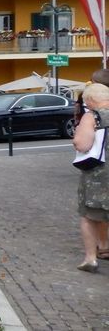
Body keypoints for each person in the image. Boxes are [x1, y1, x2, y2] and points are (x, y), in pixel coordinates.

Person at [73, 82, 109, 272]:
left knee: (89, 216)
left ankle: (90, 259)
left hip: (99, 175)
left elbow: (82, 144)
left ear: (90, 100)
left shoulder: (92, 116)